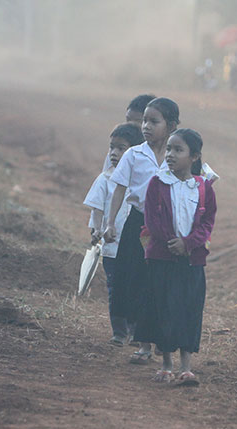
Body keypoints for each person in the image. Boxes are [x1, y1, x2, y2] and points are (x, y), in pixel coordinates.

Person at [136, 128, 216, 386]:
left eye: (177, 150)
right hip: (163, 258)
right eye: (168, 149)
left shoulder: (203, 188)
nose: (170, 154)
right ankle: (166, 363)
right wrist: (172, 243)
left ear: (194, 156)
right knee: (164, 309)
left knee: (189, 310)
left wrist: (189, 243)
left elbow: (207, 222)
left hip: (192, 260)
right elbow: (151, 219)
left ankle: (186, 365)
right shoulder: (157, 184)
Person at [104, 97, 180, 365]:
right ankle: (144, 345)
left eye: (153, 121)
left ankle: (160, 340)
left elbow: (196, 186)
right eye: (144, 121)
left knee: (162, 285)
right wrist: (111, 223)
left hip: (168, 228)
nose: (145, 126)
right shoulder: (134, 155)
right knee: (138, 284)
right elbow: (119, 189)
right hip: (138, 225)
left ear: (170, 126)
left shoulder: (178, 154)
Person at [83, 123, 144, 346]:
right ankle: (119, 331)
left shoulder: (141, 181)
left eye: (121, 149)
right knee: (115, 286)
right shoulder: (105, 179)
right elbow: (97, 208)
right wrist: (96, 229)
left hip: (135, 246)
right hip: (111, 246)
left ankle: (136, 329)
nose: (115, 154)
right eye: (113, 148)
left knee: (136, 286)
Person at [101, 94, 157, 173]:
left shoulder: (166, 153)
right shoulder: (117, 152)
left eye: (137, 122)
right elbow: (107, 178)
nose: (130, 125)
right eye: (128, 120)